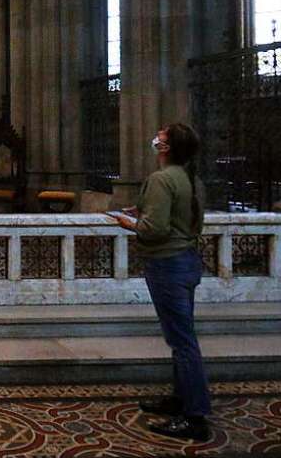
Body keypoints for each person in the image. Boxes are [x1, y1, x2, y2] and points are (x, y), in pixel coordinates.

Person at [109, 123, 211, 442]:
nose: (156, 139)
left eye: (161, 137)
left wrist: (130, 222)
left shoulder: (160, 179)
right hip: (188, 260)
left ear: (166, 148)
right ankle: (180, 398)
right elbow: (182, 215)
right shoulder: (192, 180)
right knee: (180, 337)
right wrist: (144, 209)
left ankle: (195, 416)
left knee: (182, 342)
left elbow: (154, 230)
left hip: (167, 263)